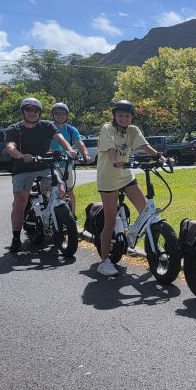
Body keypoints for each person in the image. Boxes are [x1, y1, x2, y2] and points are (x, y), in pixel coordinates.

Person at [95, 100, 166, 277]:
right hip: (108, 179)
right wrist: (114, 160)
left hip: (126, 176)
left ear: (131, 117)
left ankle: (153, 248)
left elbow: (144, 145)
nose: (124, 118)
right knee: (110, 220)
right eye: (120, 115)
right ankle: (104, 262)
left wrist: (159, 156)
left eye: (127, 116)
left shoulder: (133, 130)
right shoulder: (107, 128)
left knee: (148, 212)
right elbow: (111, 148)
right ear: (114, 116)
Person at [4, 97, 77, 252]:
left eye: (35, 110)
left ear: (40, 112)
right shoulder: (14, 129)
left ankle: (54, 216)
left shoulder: (47, 126)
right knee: (20, 201)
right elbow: (10, 146)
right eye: (28, 109)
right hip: (23, 168)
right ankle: (16, 238)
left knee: (61, 190)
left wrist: (69, 150)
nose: (32, 113)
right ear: (23, 112)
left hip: (45, 166)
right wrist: (20, 155)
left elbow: (60, 138)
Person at [49, 102, 91, 217]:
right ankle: (52, 215)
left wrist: (85, 155)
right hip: (50, 165)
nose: (60, 116)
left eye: (63, 113)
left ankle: (72, 216)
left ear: (67, 115)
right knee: (52, 190)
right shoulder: (47, 127)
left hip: (66, 164)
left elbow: (79, 143)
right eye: (56, 113)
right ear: (52, 115)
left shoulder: (71, 130)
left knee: (69, 191)